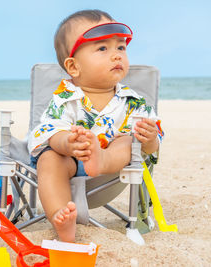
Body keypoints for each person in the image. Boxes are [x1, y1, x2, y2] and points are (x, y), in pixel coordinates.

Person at [27, 9, 164, 243]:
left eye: (121, 47)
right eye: (102, 48)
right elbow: (48, 130)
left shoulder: (132, 102)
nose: (116, 55)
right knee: (49, 158)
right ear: (73, 67)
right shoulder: (64, 99)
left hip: (110, 173)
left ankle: (102, 157)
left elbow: (150, 150)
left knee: (127, 141)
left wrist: (150, 138)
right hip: (69, 163)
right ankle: (61, 218)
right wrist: (67, 143)